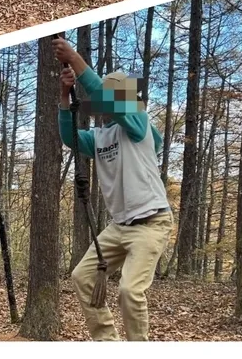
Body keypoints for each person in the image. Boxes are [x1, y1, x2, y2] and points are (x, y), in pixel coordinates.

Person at [52, 37, 172, 342]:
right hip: (118, 227)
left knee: (130, 291)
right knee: (82, 277)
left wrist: (76, 60)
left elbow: (113, 102)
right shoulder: (101, 137)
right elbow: (70, 138)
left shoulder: (138, 125)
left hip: (150, 223)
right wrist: (64, 97)